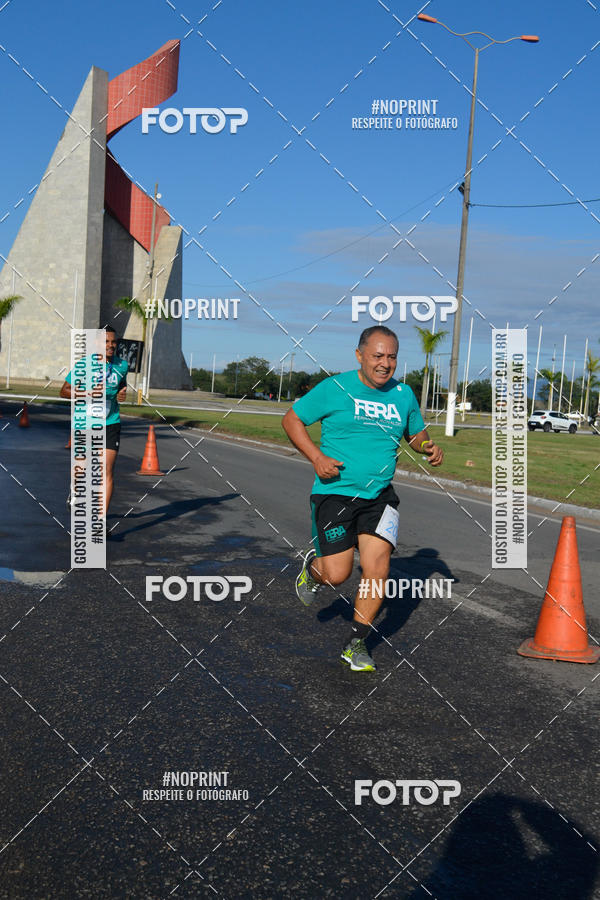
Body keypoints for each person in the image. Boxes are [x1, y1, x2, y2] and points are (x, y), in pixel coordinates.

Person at [282, 325, 443, 672]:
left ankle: (356, 643)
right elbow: (292, 419)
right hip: (335, 493)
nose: (385, 364)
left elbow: (415, 432)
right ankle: (314, 570)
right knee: (337, 575)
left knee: (377, 569)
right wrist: (316, 457)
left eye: (392, 357)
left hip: (380, 496)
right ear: (360, 356)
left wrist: (426, 446)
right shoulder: (336, 387)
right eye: (378, 356)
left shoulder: (403, 394)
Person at [60, 326, 128, 517]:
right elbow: (64, 391)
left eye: (113, 342)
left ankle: (100, 520)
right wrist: (87, 393)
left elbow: (121, 387)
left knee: (106, 471)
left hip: (111, 422)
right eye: (106, 342)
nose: (110, 345)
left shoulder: (121, 365)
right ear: (96, 343)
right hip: (85, 423)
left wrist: (122, 395)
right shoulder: (84, 365)